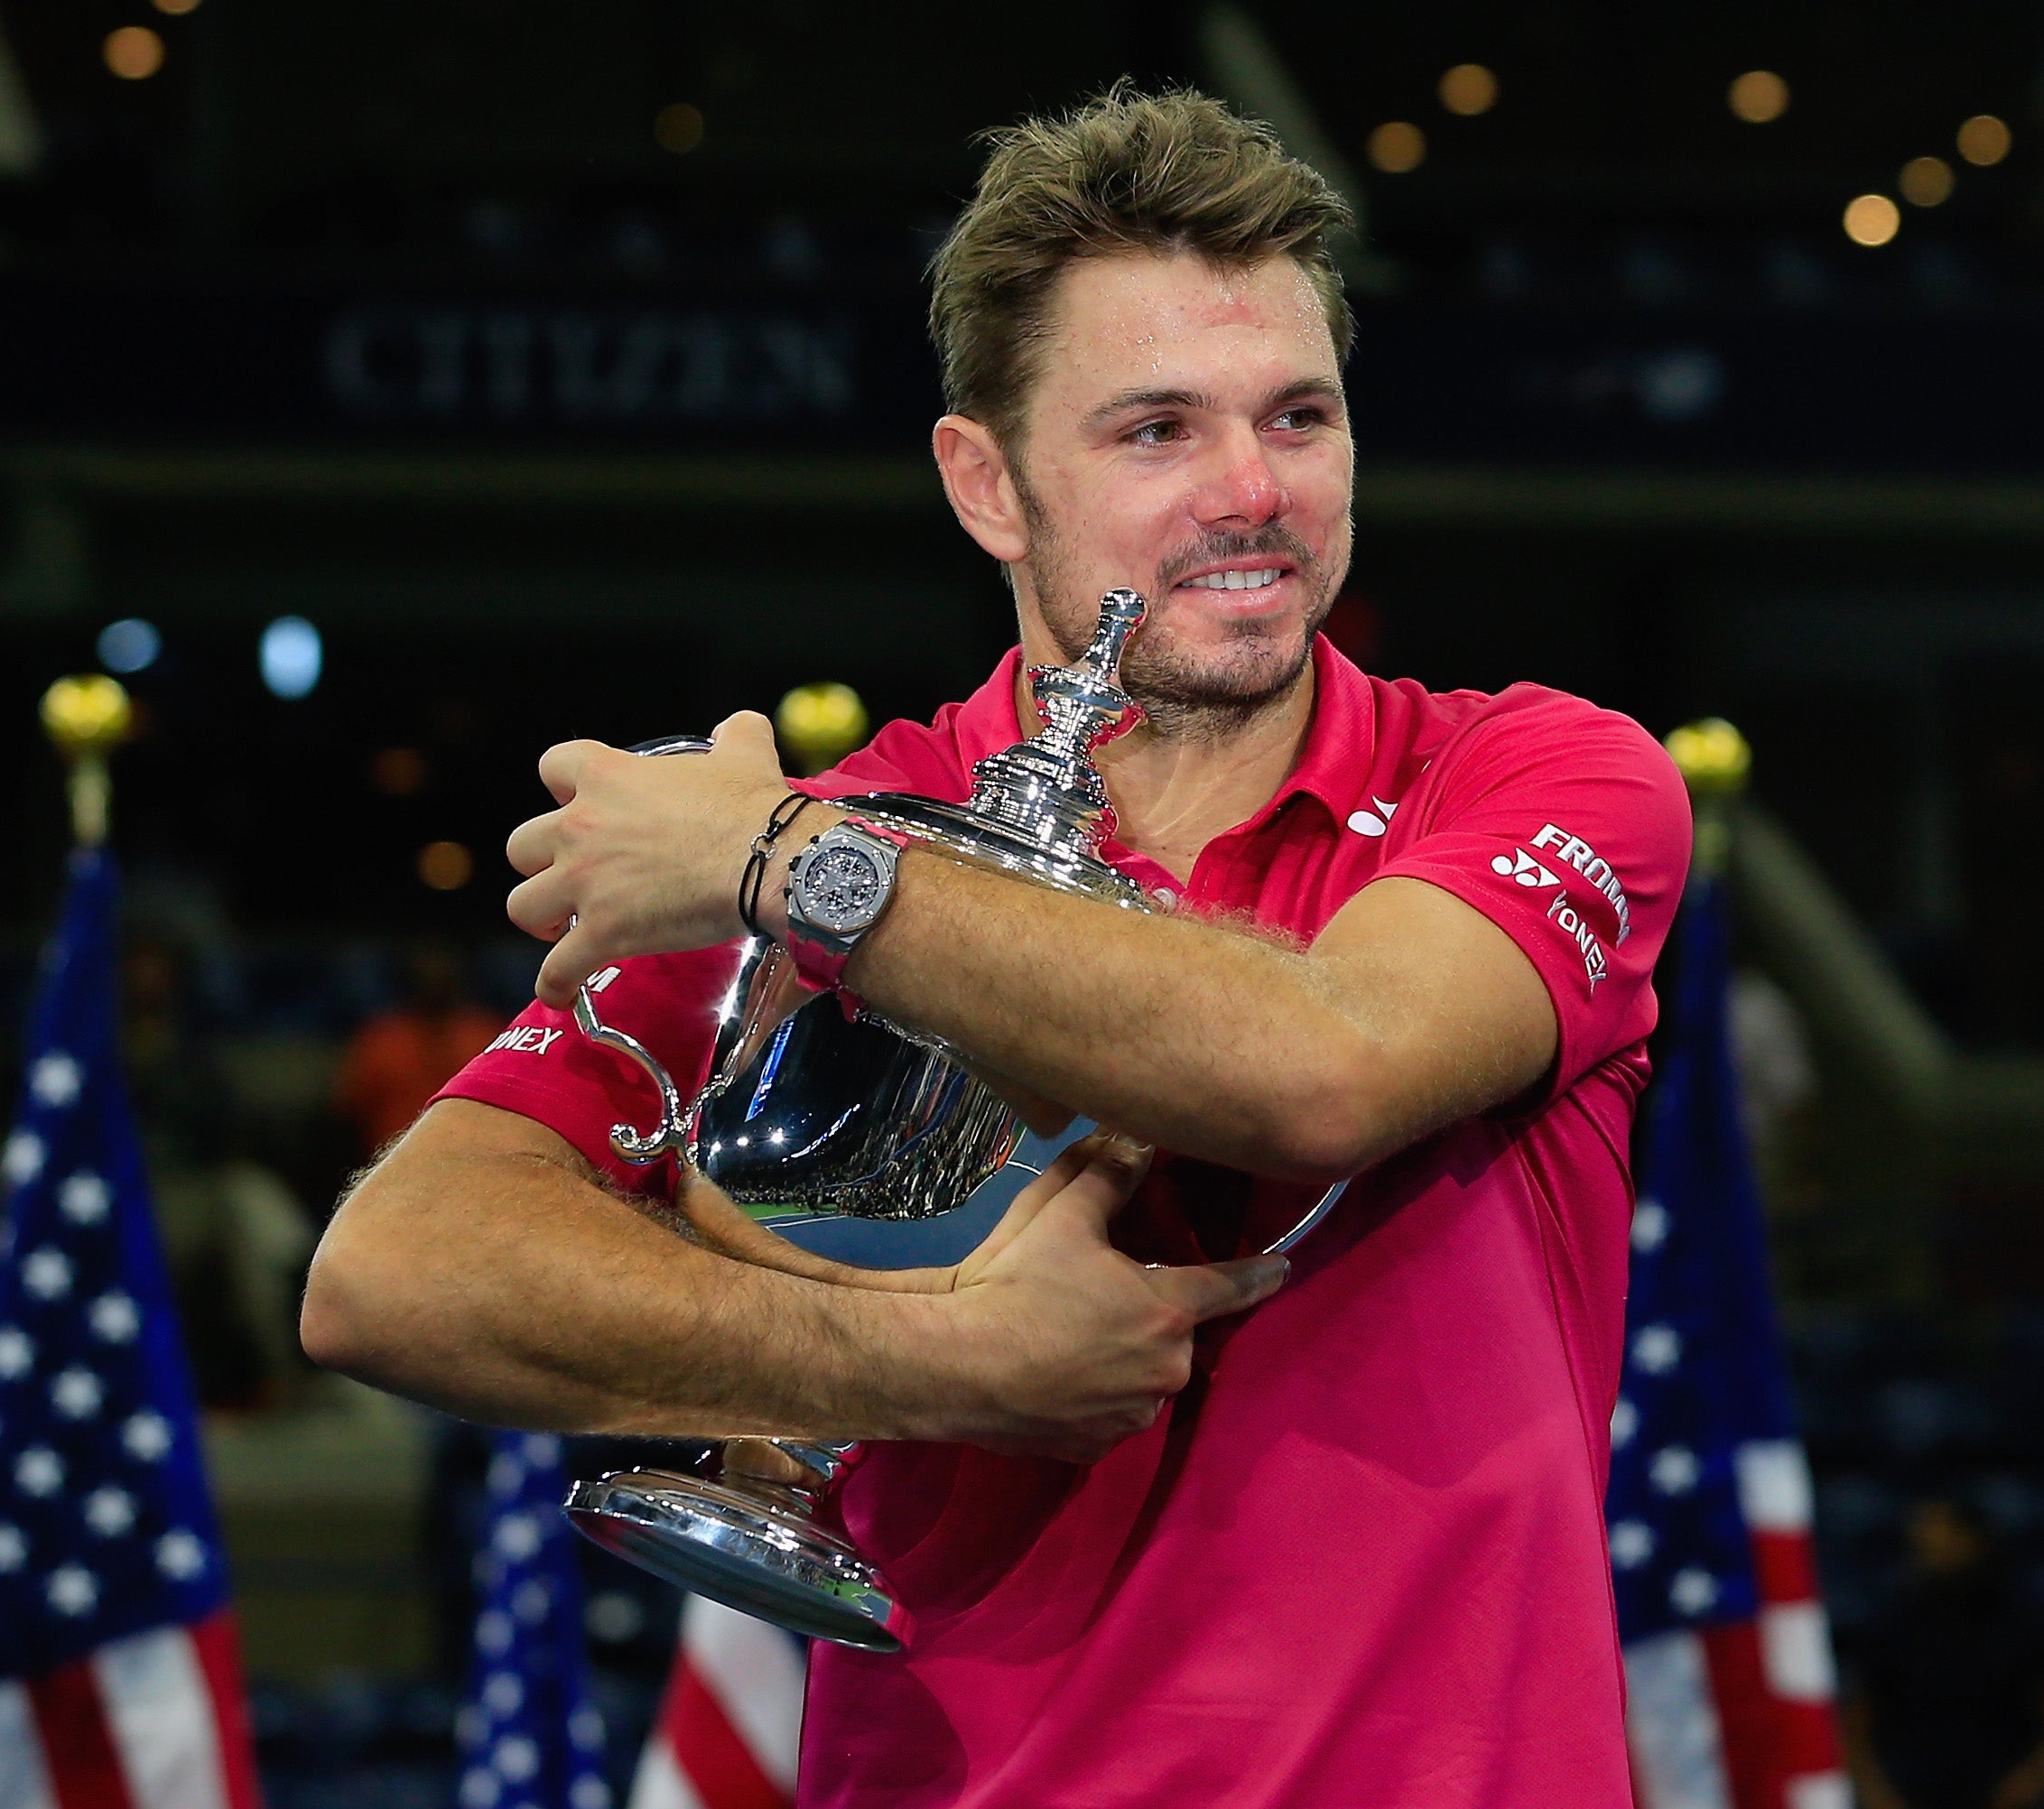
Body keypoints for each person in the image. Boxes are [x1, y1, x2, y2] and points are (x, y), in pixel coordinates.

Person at [303, 87, 1689, 1808]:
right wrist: (944, 1361)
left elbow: (1330, 1068)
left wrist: (784, 861)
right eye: (1156, 431)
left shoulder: (1535, 772)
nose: (1252, 490)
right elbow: (395, 1274)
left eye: (1300, 415)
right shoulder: (856, 824)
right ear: (988, 482)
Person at [1841, 1497, 2044, 1809]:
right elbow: (1858, 1722)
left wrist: (2031, 1782)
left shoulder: (2028, 1621)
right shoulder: (1893, 1622)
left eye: (1941, 1535)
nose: (1927, 1546)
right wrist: (1877, 1794)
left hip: (2005, 1795)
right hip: (1910, 1794)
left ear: (1974, 1540)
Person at [333, 939, 506, 1158]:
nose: (434, 974)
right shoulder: (380, 1041)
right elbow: (349, 1116)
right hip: (391, 1167)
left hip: (475, 1164)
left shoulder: (488, 1035)